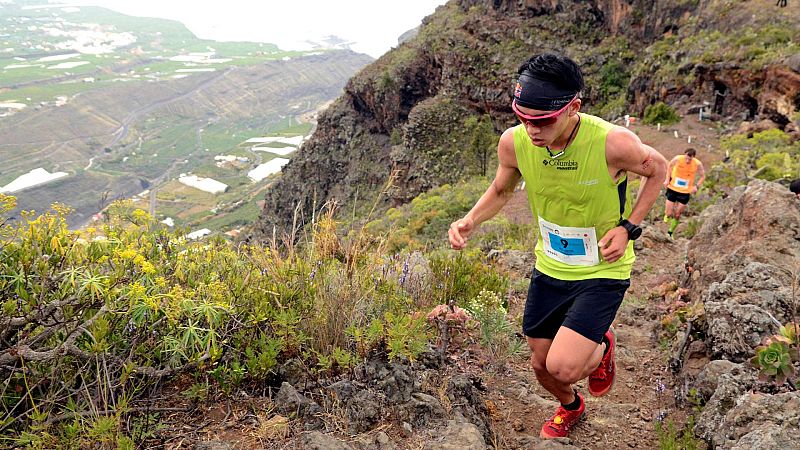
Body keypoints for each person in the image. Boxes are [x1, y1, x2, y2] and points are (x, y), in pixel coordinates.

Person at [448, 53, 667, 440]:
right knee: (540, 364)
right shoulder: (514, 143)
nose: (531, 129)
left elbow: (659, 168)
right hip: (550, 264)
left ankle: (599, 346)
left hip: (602, 267)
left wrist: (628, 226)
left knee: (564, 366)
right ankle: (572, 407)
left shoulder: (612, 143)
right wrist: (469, 221)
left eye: (543, 120)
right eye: (522, 116)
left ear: (573, 108)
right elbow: (502, 189)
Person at [663, 148, 705, 237]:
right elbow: (669, 167)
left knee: (677, 214)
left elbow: (702, 176)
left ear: (693, 157)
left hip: (685, 192)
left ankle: (670, 232)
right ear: (684, 154)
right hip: (673, 188)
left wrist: (696, 186)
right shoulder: (677, 159)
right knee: (669, 213)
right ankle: (667, 216)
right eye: (686, 157)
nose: (687, 160)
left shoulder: (697, 164)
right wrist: (667, 180)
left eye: (689, 159)